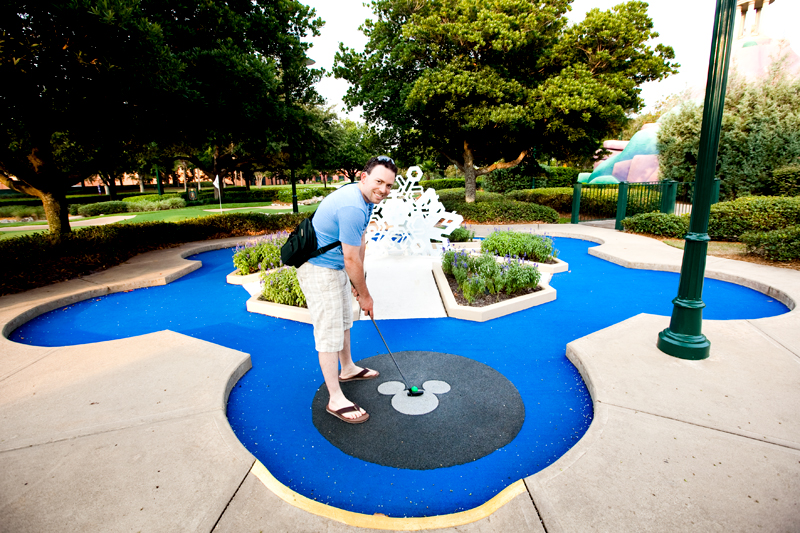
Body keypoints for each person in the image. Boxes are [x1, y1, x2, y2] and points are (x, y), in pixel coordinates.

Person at [296, 156, 397, 424]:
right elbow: (350, 257)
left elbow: (360, 242)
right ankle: (335, 399)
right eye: (379, 182)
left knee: (343, 320)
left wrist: (357, 282)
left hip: (335, 267)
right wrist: (365, 294)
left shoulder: (365, 200)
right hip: (319, 270)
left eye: (389, 185)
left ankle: (348, 368)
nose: (384, 190)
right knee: (329, 332)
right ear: (364, 178)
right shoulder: (353, 205)